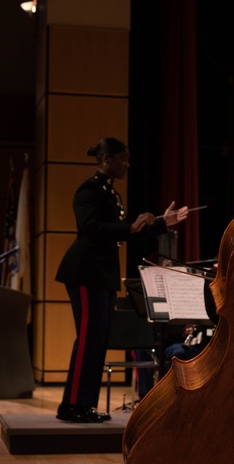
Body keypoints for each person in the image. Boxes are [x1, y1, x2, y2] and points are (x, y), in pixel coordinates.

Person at [54, 136, 189, 423]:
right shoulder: (88, 191)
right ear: (106, 160)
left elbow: (129, 230)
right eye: (123, 159)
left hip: (102, 273)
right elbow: (92, 228)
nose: (127, 164)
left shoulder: (111, 194)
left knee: (99, 340)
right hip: (86, 271)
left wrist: (163, 223)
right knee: (89, 339)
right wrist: (130, 226)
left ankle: (84, 405)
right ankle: (71, 405)